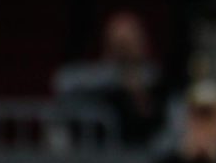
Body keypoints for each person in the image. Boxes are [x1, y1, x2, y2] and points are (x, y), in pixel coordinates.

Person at [52, 11, 166, 145]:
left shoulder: (153, 77)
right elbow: (62, 82)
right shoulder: (89, 77)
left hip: (139, 154)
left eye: (130, 41)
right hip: (95, 155)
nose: (124, 48)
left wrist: (133, 80)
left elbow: (150, 118)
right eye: (119, 42)